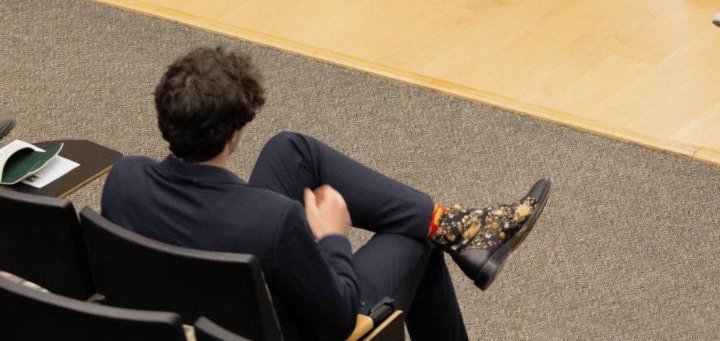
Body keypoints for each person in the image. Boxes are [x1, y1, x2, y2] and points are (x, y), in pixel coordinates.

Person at [102, 46, 550, 341]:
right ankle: (454, 234)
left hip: (199, 310)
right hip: (284, 328)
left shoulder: (124, 180)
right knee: (417, 244)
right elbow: (338, 320)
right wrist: (332, 238)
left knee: (291, 150)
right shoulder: (273, 221)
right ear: (236, 132)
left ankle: (458, 228)